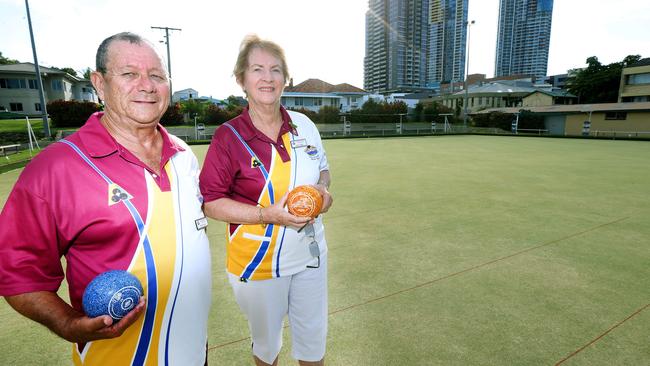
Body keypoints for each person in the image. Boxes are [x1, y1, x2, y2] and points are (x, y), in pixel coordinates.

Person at [0, 32, 211, 365]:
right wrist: (68, 324)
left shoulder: (183, 155)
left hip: (194, 351)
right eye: (129, 74)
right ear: (99, 83)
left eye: (157, 75)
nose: (147, 85)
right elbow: (17, 273)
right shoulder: (56, 168)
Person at [199, 34, 333, 366]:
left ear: (285, 78)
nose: (267, 77)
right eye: (257, 69)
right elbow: (211, 202)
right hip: (257, 262)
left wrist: (323, 192)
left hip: (311, 254)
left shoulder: (304, 125)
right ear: (241, 79)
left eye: (275, 69)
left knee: (313, 342)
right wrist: (266, 215)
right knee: (267, 346)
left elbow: (324, 172)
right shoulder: (228, 136)